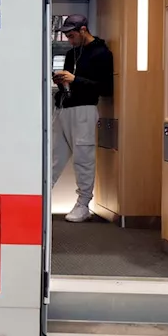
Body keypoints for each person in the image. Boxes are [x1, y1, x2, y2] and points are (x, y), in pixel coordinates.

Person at [51, 14, 114, 223]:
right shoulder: (72, 54)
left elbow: (106, 88)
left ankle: (83, 203)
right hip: (64, 108)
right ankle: (39, 197)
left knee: (83, 158)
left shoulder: (102, 53)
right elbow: (72, 82)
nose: (70, 40)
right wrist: (62, 81)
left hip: (85, 109)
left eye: (72, 35)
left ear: (83, 30)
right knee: (53, 157)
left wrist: (75, 79)